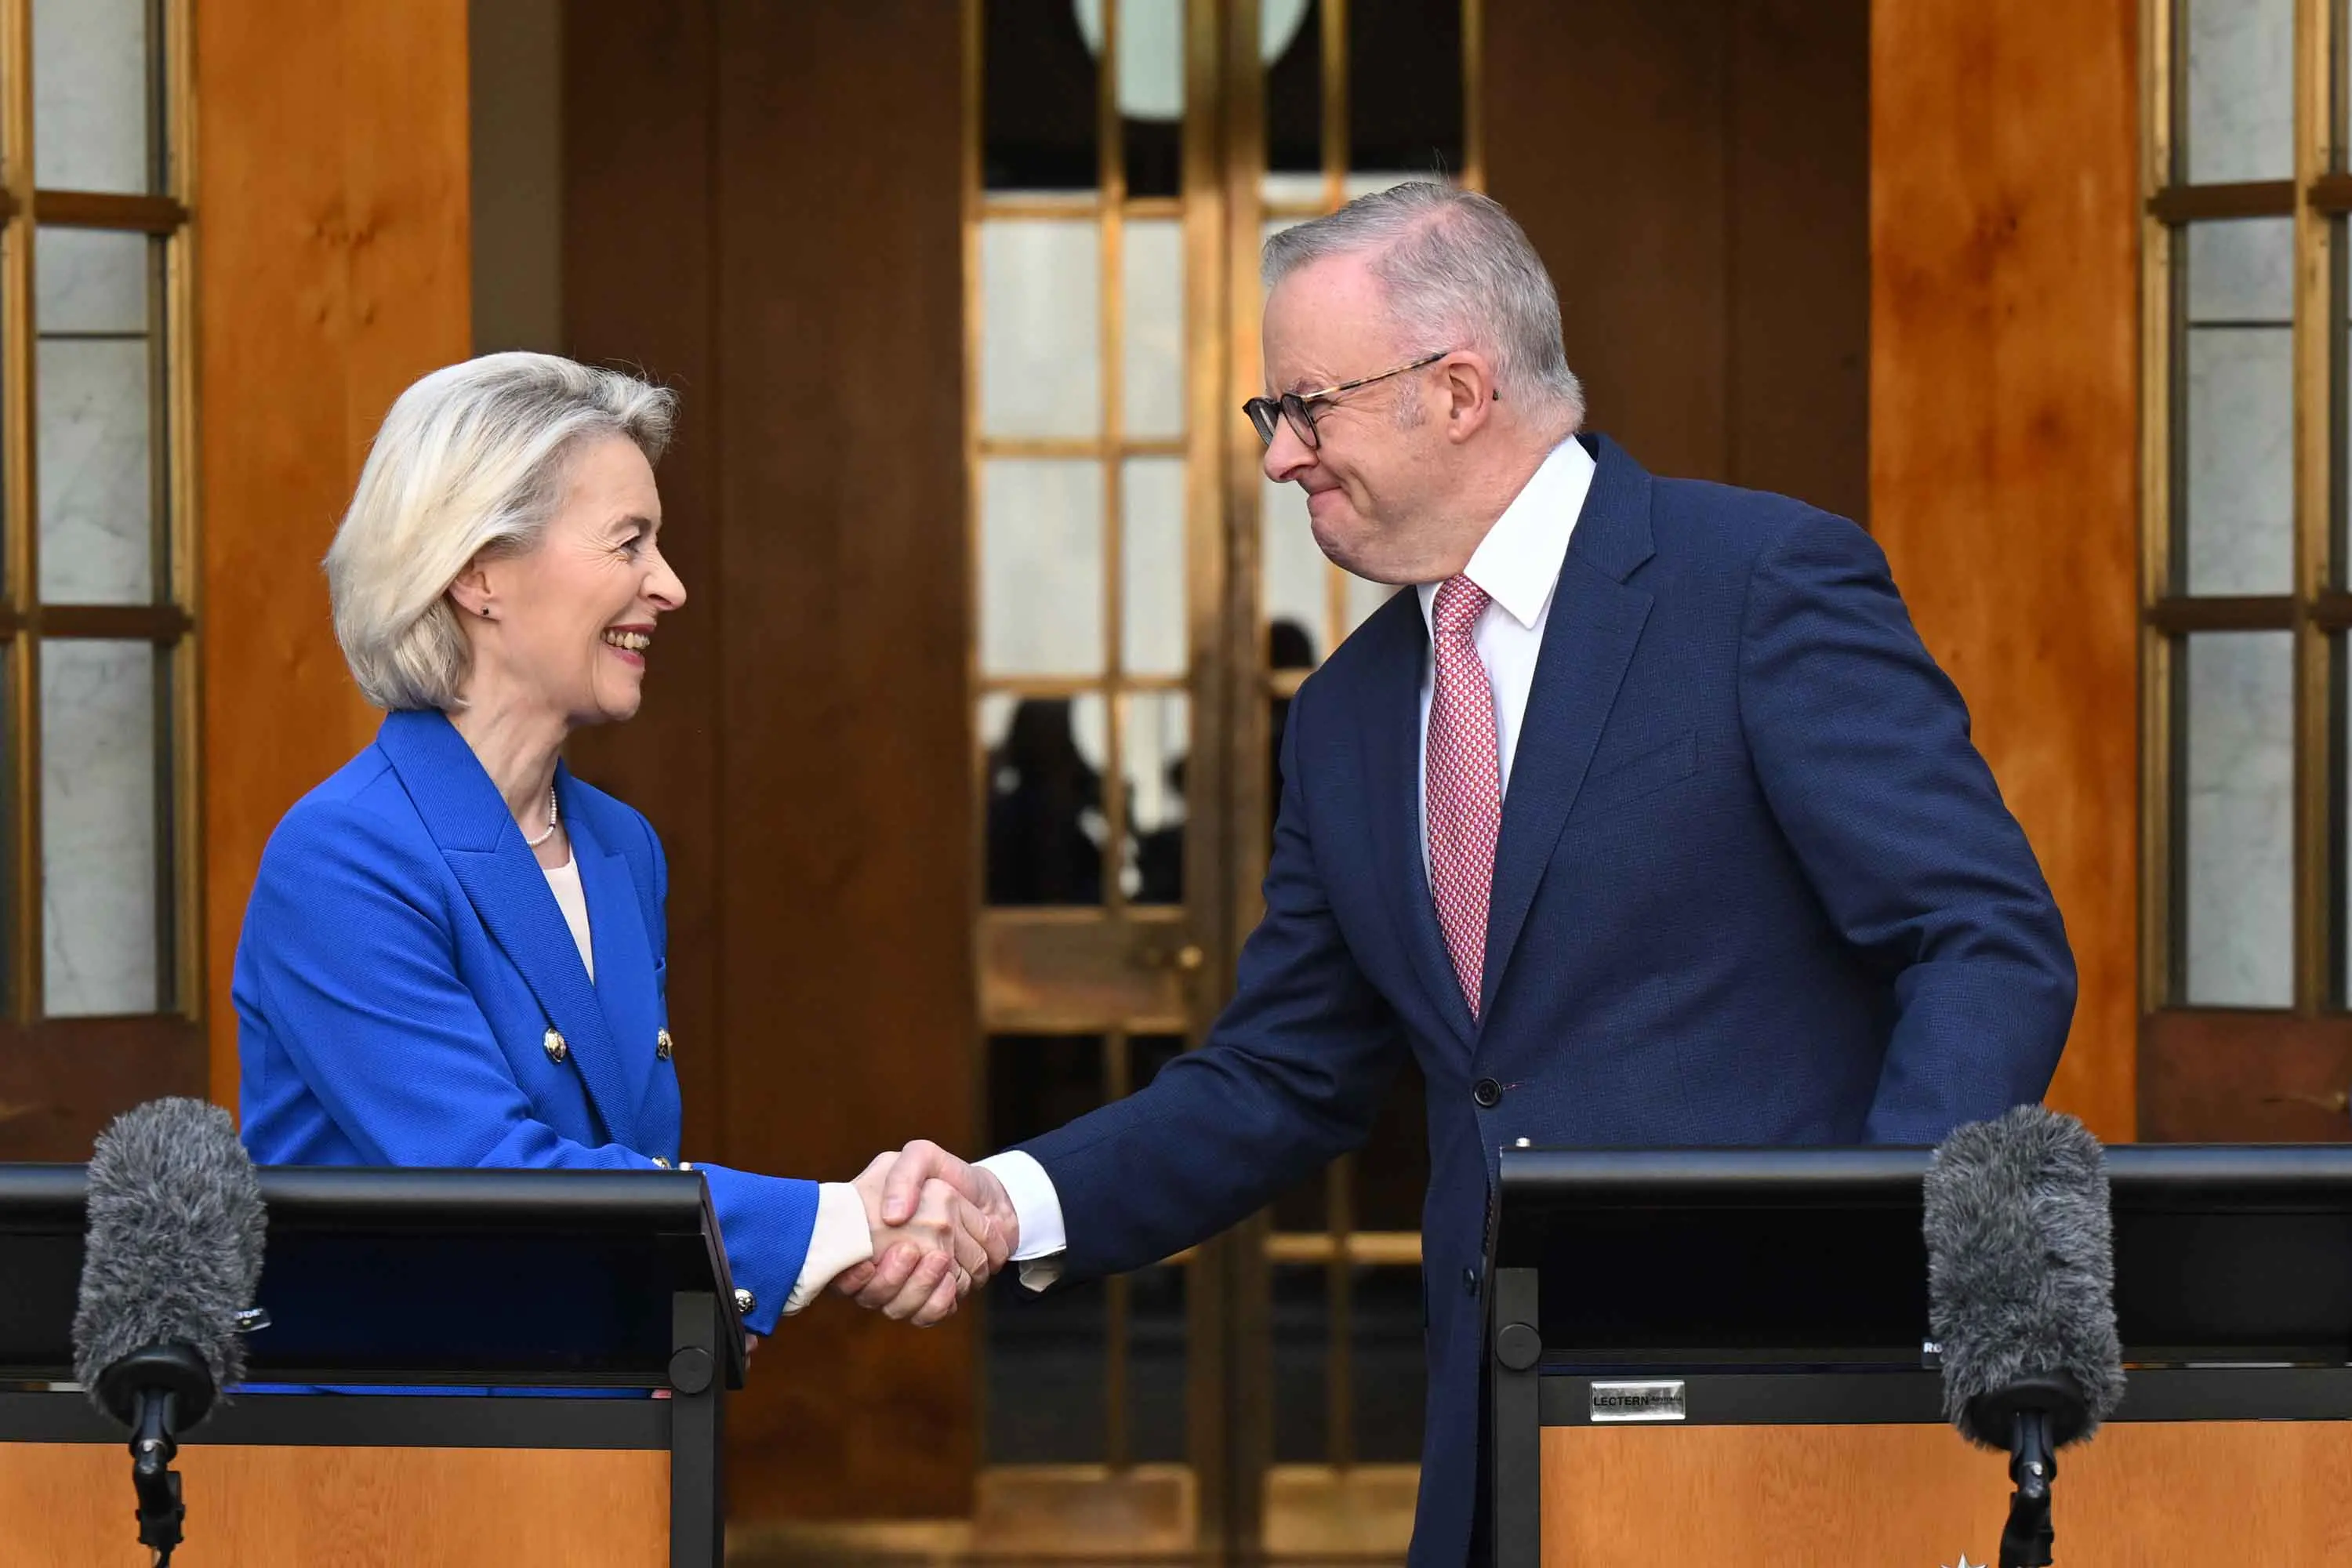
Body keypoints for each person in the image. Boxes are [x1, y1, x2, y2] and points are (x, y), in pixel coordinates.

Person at [848, 184, 2075, 1566]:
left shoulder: (1759, 585)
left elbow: (1982, 940)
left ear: (1458, 389)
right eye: (1273, 417)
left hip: (1778, 1432)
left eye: (1303, 408)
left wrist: (1856, 1259)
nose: (1279, 459)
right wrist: (1008, 1202)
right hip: (1495, 1446)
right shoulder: (1349, 713)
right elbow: (1283, 1074)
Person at [234, 354, 1006, 1351]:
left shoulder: (616, 846)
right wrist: (843, 1222)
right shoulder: (344, 858)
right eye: (629, 542)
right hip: (401, 1470)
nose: (671, 586)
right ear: (477, 570)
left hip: (605, 1442)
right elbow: (486, 1179)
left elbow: (625, 1162)